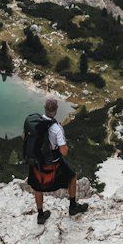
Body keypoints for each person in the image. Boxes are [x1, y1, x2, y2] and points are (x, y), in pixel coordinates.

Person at [30, 96, 89, 225]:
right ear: (56, 110)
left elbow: (25, 137)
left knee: (37, 186)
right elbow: (63, 152)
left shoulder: (35, 122)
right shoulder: (57, 128)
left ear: (45, 109)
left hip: (36, 162)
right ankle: (73, 206)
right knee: (72, 176)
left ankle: (40, 215)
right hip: (52, 163)